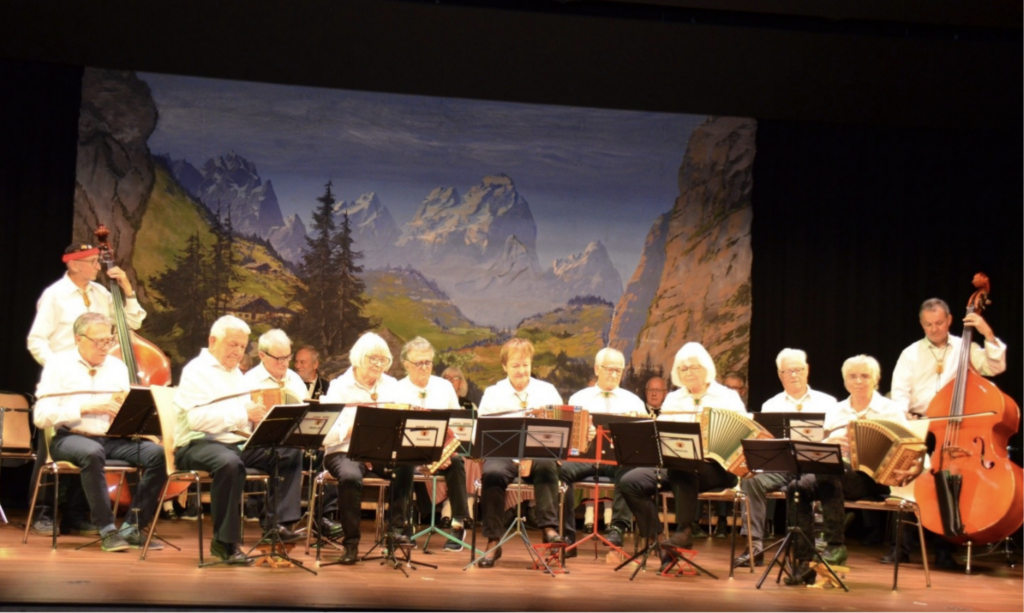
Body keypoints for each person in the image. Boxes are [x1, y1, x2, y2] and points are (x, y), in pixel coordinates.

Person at [26, 243, 148, 536]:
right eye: (92, 261)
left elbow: (131, 322)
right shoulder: (55, 295)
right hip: (66, 379)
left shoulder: (102, 293)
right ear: (73, 264)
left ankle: (75, 516)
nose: (98, 266)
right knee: (49, 449)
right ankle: (42, 512)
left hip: (96, 376)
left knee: (93, 443)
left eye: (97, 261)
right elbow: (36, 339)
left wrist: (127, 290)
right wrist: (61, 366)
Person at [173, 315, 304, 565]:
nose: (238, 352)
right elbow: (196, 421)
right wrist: (244, 414)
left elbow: (243, 417)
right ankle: (225, 543)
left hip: (233, 443)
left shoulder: (234, 373)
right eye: (233, 344)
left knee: (288, 451)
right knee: (229, 463)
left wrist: (263, 423)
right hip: (195, 444)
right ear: (213, 341)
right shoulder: (196, 371)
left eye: (243, 346)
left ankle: (277, 525)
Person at [887, 297, 1007, 569]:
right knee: (904, 481)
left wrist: (987, 333)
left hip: (955, 427)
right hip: (920, 424)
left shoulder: (966, 347)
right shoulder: (910, 353)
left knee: (950, 485)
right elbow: (899, 393)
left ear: (950, 320)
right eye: (928, 324)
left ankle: (944, 550)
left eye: (939, 323)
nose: (934, 329)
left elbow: (995, 367)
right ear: (921, 324)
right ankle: (900, 548)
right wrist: (904, 416)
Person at [33, 313, 166, 552]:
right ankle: (107, 529)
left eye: (108, 340)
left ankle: (132, 526)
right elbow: (40, 416)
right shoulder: (58, 365)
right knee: (92, 452)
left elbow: (123, 406)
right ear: (78, 339)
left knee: (159, 454)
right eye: (98, 341)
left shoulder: (117, 367)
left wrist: (128, 416)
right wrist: (86, 408)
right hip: (71, 437)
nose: (105, 347)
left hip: (113, 439)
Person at [782, 355, 910, 585]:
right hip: (837, 474)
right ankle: (804, 559)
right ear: (845, 380)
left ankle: (835, 545)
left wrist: (911, 468)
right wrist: (829, 442)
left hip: (872, 479)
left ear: (876, 379)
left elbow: (910, 447)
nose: (858, 381)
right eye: (853, 376)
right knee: (797, 487)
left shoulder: (890, 410)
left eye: (865, 376)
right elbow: (819, 450)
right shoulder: (837, 410)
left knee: (830, 472)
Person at [619, 342, 745, 569]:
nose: (689, 372)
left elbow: (743, 435)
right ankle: (661, 543)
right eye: (683, 368)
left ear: (706, 368)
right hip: (677, 467)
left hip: (718, 469)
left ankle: (684, 530)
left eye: (694, 367)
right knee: (630, 482)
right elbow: (662, 436)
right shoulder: (674, 399)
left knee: (684, 465)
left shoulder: (727, 397)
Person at [733, 349, 839, 568]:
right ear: (779, 375)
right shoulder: (770, 405)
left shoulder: (828, 403)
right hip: (783, 466)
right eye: (787, 371)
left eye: (798, 369)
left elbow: (834, 441)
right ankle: (754, 546)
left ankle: (814, 546)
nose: (793, 375)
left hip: (815, 466)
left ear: (807, 370)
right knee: (751, 481)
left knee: (809, 484)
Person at [320, 332, 413, 565]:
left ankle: (395, 531)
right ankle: (351, 543)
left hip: (381, 450)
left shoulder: (392, 386)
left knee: (406, 463)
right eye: (374, 359)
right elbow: (326, 435)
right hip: (344, 450)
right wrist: (354, 428)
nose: (379, 365)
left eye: (383, 360)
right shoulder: (339, 387)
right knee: (350, 476)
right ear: (360, 358)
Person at [476, 338, 564, 568]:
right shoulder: (493, 393)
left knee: (547, 465)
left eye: (526, 365)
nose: (522, 370)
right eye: (515, 365)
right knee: (492, 473)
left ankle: (549, 529)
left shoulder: (547, 391)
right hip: (503, 455)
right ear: (504, 366)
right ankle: (493, 541)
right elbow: (482, 430)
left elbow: (560, 430)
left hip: (538, 455)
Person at [243, 329, 338, 537]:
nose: (285, 363)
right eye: (279, 358)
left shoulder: (294, 380)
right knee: (288, 452)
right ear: (262, 355)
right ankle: (279, 523)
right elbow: (241, 426)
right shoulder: (249, 381)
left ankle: (322, 517)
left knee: (327, 455)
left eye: (287, 357)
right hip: (255, 446)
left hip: (292, 445)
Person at [561, 348, 644, 554]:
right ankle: (567, 535)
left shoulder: (634, 401)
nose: (614, 375)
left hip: (617, 461)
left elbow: (642, 441)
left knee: (631, 470)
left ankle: (617, 528)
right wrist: (583, 435)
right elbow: (570, 438)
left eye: (618, 370)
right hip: (585, 457)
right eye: (609, 369)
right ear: (597, 369)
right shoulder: (579, 398)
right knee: (559, 470)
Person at [396, 337, 471, 552]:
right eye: (418, 363)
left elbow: (457, 426)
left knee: (457, 463)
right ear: (406, 364)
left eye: (428, 362)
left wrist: (444, 454)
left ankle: (458, 524)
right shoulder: (396, 389)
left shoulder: (444, 387)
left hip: (442, 453)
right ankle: (403, 527)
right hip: (408, 454)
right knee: (402, 467)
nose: (424, 367)